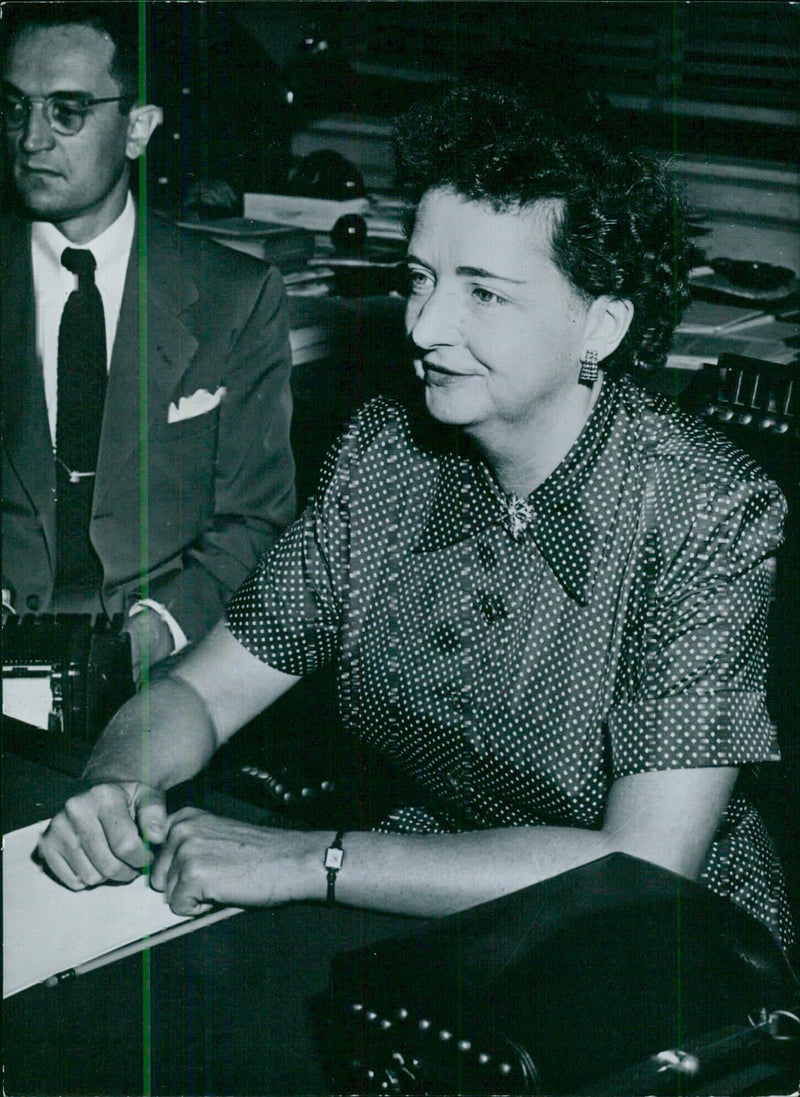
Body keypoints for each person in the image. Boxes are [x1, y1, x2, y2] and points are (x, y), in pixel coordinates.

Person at [38, 83, 793, 959]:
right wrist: (112, 782)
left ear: (603, 326)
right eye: (421, 279)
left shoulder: (706, 508)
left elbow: (645, 862)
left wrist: (310, 859)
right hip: (428, 892)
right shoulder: (383, 453)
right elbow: (202, 689)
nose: (426, 326)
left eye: (487, 295)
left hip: (657, 949)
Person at [1, 2, 295, 682]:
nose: (32, 140)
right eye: (16, 108)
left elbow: (256, 521)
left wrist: (149, 636)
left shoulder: (236, 297)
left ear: (138, 128)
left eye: (67, 111)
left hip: (162, 665)